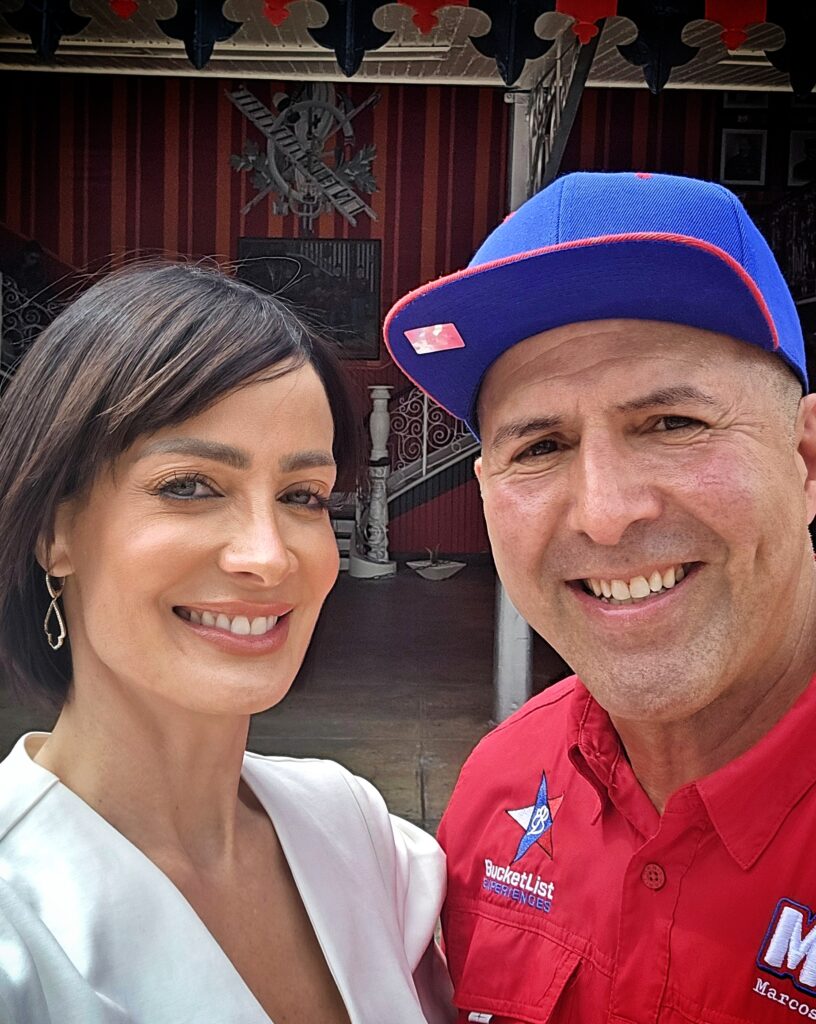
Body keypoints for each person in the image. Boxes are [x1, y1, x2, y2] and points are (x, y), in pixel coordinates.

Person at [384, 171, 816, 1021]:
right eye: (540, 446)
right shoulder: (498, 789)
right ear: (484, 492)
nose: (608, 515)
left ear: (806, 460)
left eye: (672, 424)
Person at [0, 263, 454, 1024]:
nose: (269, 556)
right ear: (56, 530)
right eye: (190, 486)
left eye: (301, 496)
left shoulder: (357, 829)